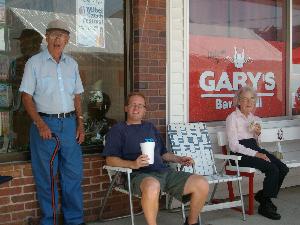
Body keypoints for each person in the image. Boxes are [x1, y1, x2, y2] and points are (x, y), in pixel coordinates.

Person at [102, 92, 209, 225]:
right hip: (137, 175)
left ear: (145, 110)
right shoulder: (118, 130)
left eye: (140, 105)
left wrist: (179, 159)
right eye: (133, 105)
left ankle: (192, 223)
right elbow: (110, 160)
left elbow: (163, 154)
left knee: (201, 183)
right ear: (126, 108)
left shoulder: (150, 127)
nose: (136, 108)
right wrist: (133, 164)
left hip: (164, 172)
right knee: (152, 185)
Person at [19, 20, 86, 225]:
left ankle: (74, 220)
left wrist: (80, 123)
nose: (58, 39)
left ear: (67, 40)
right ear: (46, 38)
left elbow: (77, 96)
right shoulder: (34, 63)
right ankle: (50, 220)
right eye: (54, 35)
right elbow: (26, 97)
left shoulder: (72, 64)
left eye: (62, 36)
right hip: (45, 125)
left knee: (73, 175)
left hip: (69, 125)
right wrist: (40, 124)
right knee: (46, 177)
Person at [226, 85, 289, 220]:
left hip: (254, 149)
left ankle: (263, 196)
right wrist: (256, 154)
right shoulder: (232, 118)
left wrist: (258, 134)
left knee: (283, 168)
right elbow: (234, 146)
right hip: (239, 155)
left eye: (252, 99)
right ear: (238, 101)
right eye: (245, 99)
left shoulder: (254, 118)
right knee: (272, 169)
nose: (249, 102)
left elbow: (258, 143)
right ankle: (265, 205)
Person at [10, 29, 43, 150]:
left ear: (35, 44)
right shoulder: (16, 63)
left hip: (37, 114)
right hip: (19, 113)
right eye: (21, 43)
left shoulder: (45, 64)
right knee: (21, 147)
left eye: (25, 42)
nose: (22, 46)